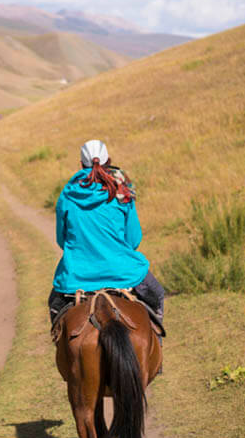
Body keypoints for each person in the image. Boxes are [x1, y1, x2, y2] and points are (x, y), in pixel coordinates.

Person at [48, 139, 165, 328]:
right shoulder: (122, 191)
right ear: (108, 160)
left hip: (77, 276)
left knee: (54, 306)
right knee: (157, 294)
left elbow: (62, 241)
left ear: (81, 164)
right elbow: (133, 240)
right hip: (123, 271)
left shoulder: (67, 194)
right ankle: (156, 348)